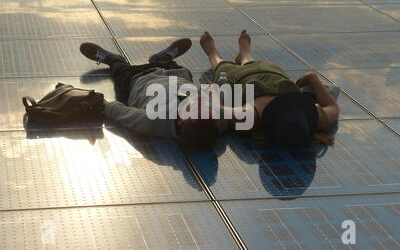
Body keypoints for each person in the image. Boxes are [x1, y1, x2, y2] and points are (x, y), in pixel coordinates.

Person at [199, 30, 340, 148]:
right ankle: (244, 54)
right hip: (272, 75)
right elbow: (333, 106)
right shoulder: (313, 119)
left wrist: (212, 92)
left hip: (242, 78)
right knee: (249, 63)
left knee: (220, 65)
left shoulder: (249, 118)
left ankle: (213, 52)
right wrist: (312, 78)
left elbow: (214, 108)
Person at [79, 39, 219, 149]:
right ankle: (163, 59)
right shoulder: (215, 116)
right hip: (174, 73)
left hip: (138, 78)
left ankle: (113, 60)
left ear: (181, 120)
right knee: (179, 70)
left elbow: (116, 110)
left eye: (195, 106)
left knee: (121, 71)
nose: (200, 99)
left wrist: (90, 99)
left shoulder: (152, 121)